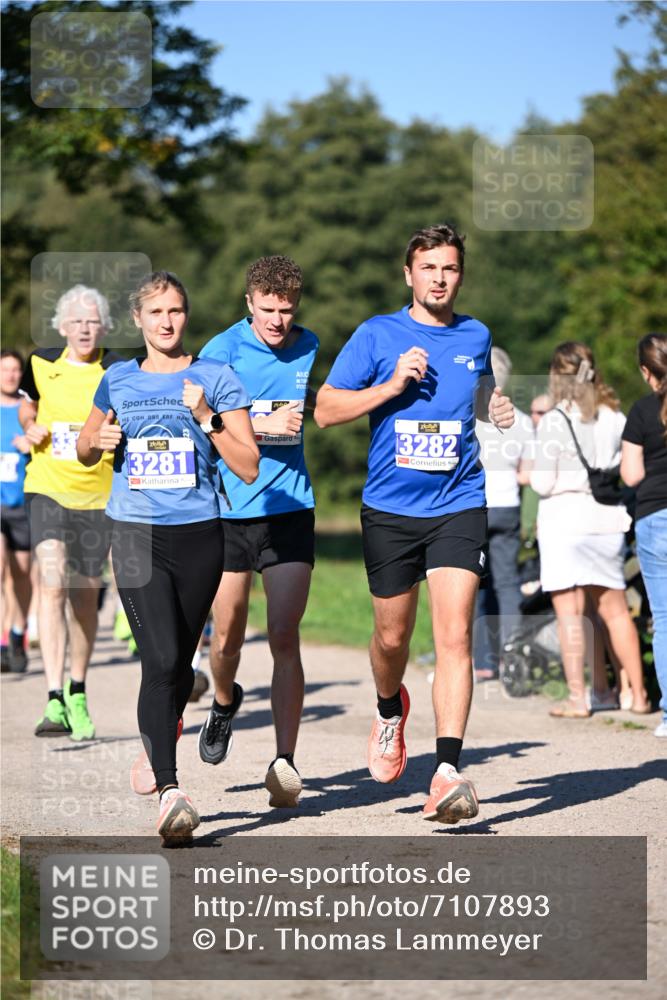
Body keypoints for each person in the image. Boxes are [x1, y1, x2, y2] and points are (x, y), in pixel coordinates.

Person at [314, 223, 514, 825]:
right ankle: (387, 708)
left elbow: (473, 395)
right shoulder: (377, 334)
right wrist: (391, 383)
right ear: (409, 274)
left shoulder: (475, 334)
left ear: (460, 274)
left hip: (459, 502)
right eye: (429, 268)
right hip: (390, 511)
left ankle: (447, 770)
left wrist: (495, 405)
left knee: (453, 636)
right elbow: (323, 412)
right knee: (393, 639)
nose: (440, 278)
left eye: (450, 268)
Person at [77, 270, 259, 845]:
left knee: (179, 663)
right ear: (139, 320)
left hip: (200, 533)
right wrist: (96, 444)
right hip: (134, 531)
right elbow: (85, 448)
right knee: (158, 656)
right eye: (156, 313)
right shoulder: (118, 379)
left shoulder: (216, 377)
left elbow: (249, 463)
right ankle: (170, 790)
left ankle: (156, 738)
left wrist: (207, 416)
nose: (167, 321)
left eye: (176, 311)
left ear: (186, 315)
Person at [198, 256, 319, 809]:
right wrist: (259, 425)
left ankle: (284, 761)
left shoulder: (308, 344)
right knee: (226, 636)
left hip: (290, 509)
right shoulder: (220, 351)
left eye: (286, 310)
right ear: (249, 303)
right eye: (267, 309)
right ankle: (224, 701)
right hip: (229, 509)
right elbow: (194, 424)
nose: (277, 320)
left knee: (283, 635)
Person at [19, 286, 121, 738]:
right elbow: (26, 402)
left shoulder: (117, 369)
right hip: (48, 488)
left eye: (92, 320)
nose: (84, 328)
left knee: (84, 595)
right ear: (61, 327)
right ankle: (54, 695)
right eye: (76, 321)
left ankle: (78, 688)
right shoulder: (41, 360)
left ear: (104, 326)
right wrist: (28, 423)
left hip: (100, 497)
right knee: (53, 578)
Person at [530, 341, 651, 718]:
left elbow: (541, 483)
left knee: (571, 615)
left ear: (556, 375)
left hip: (564, 521)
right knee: (615, 612)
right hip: (606, 520)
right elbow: (622, 463)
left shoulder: (554, 420)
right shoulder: (613, 416)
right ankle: (639, 695)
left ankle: (578, 698)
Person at [473, 347, 534, 679]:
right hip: (508, 505)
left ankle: (481, 661)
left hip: (475, 505)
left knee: (475, 583)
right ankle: (512, 657)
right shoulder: (521, 421)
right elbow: (527, 473)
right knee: (508, 584)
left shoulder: (468, 416)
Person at [621, 333, 667, 738]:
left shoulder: (641, 412)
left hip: (655, 517)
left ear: (645, 372)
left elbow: (631, 475)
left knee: (665, 618)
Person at [1, 350, 32, 673]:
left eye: (14, 370)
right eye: (4, 369)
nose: (10, 375)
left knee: (21, 574)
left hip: (22, 503)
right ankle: (1, 642)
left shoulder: (29, 409)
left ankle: (18, 631)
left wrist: (31, 444)